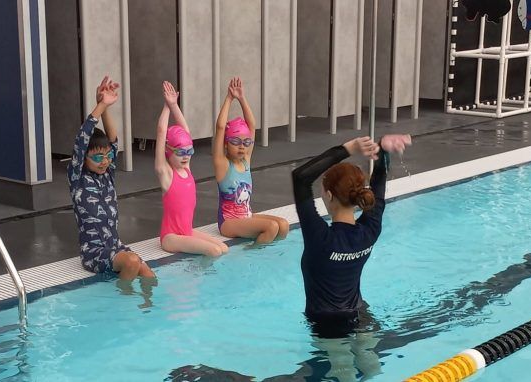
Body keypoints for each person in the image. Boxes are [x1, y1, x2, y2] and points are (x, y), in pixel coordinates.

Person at [291, 134, 411, 336]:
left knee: (341, 367)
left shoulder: (320, 238)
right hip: (361, 314)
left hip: (326, 324)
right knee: (372, 366)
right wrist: (384, 151)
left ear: (329, 196)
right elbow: (379, 186)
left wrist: (347, 149)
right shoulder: (369, 231)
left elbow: (301, 178)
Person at [68, 76, 155, 282]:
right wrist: (99, 106)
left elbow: (113, 140)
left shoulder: (107, 174)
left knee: (149, 275)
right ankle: (122, 303)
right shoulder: (77, 177)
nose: (104, 161)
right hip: (94, 253)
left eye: (107, 157)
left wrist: (106, 107)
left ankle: (149, 310)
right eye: (98, 157)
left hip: (116, 246)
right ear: (84, 159)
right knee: (132, 262)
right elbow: (82, 140)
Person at [155, 81, 229, 256]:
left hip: (187, 231)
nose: (186, 156)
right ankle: (198, 276)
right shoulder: (166, 173)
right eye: (181, 152)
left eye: (189, 151)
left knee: (223, 248)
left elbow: (185, 131)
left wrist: (175, 105)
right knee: (214, 251)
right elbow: (160, 132)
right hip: (170, 236)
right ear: (168, 150)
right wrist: (167, 106)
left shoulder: (186, 168)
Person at [213, 77, 289, 244]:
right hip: (228, 222)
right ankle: (254, 252)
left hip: (246, 215)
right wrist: (229, 98)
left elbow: (252, 126)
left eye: (246, 142)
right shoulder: (222, 164)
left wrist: (242, 98)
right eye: (235, 142)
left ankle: (265, 249)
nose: (242, 147)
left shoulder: (246, 160)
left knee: (283, 225)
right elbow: (219, 127)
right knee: (271, 227)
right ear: (226, 143)